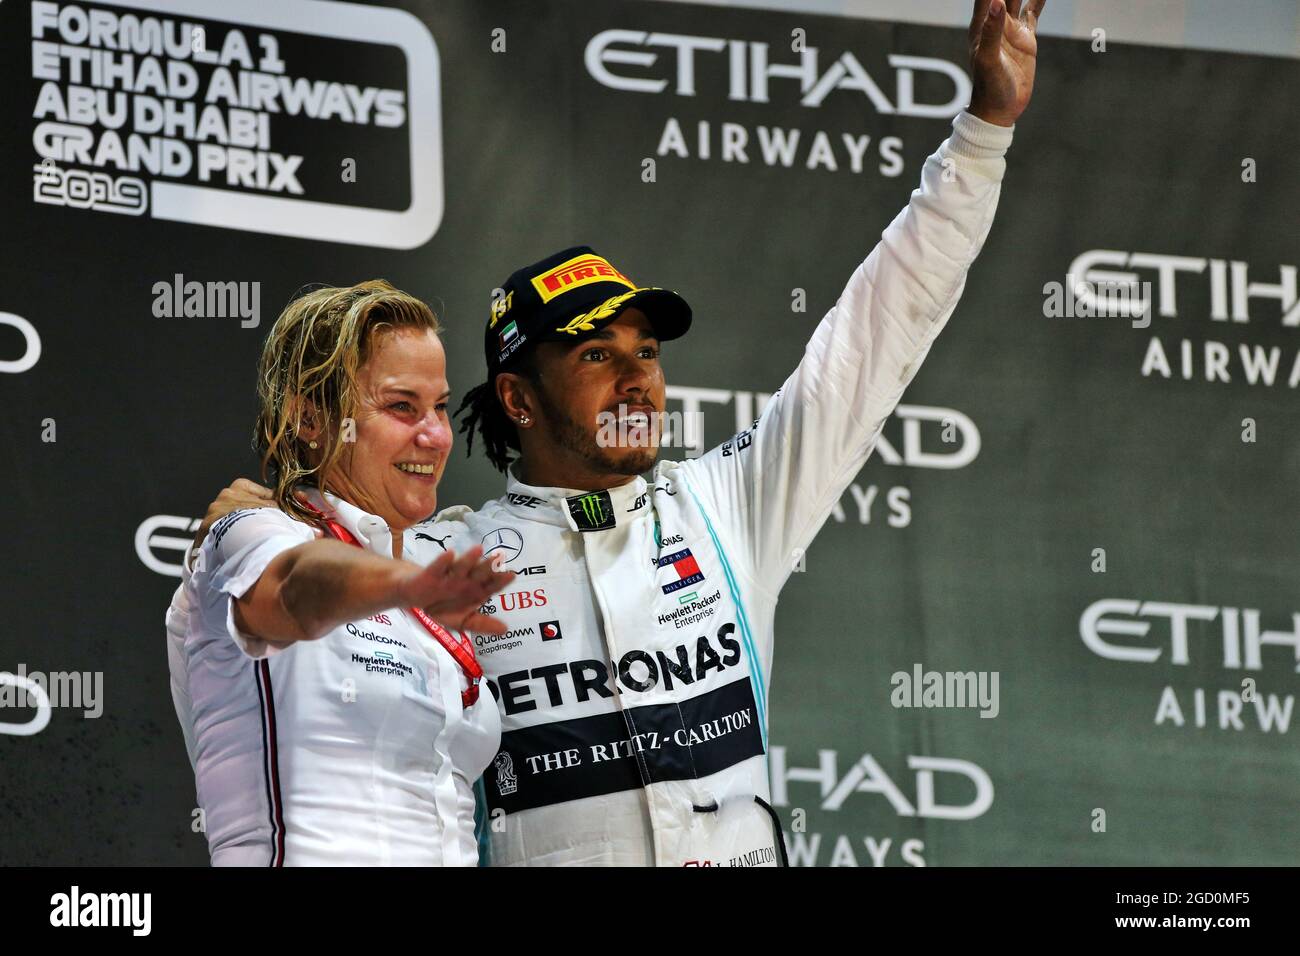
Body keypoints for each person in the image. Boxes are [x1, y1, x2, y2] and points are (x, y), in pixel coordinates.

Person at [190, 0, 1046, 865]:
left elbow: (877, 331)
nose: (638, 375)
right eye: (598, 353)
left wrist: (983, 135)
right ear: (519, 400)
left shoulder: (728, 506)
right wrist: (267, 511)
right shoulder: (442, 564)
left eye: (647, 350)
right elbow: (308, 577)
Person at [168, 280, 515, 866]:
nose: (434, 435)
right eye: (402, 406)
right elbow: (296, 587)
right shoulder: (251, 531)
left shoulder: (428, 559)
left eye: (438, 406)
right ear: (310, 419)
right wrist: (406, 585)